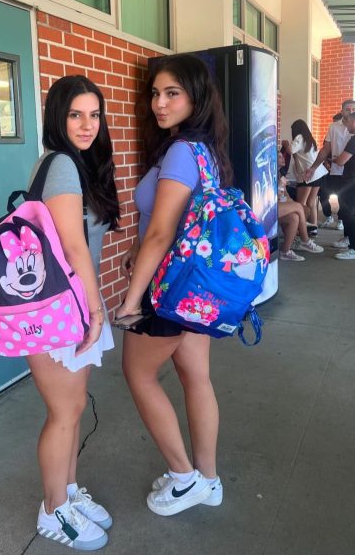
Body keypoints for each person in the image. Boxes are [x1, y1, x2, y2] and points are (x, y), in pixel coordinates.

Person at [115, 54, 232, 517]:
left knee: (138, 374)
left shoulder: (182, 152)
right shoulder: (203, 150)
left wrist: (129, 303)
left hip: (166, 289)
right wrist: (137, 246)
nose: (158, 104)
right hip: (195, 288)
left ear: (195, 97)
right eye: (155, 93)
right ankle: (208, 477)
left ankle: (184, 479)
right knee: (196, 378)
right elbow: (168, 225)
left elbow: (163, 233)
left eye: (171, 94)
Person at [28, 75, 120, 550]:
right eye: (75, 115)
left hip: (74, 304)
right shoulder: (62, 164)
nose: (87, 125)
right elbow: (72, 245)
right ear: (57, 119)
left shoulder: (78, 164)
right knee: (63, 411)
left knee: (74, 407)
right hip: (61, 309)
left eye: (94, 114)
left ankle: (66, 491)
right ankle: (52, 511)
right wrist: (96, 311)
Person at [305, 99, 355, 244]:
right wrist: (313, 167)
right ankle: (348, 237)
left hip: (352, 173)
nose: (351, 111)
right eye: (348, 109)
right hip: (337, 172)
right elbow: (325, 150)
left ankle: (352, 241)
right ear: (342, 111)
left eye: (353, 109)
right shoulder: (334, 127)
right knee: (344, 206)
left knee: (351, 208)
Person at [277, 150, 324, 261]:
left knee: (295, 217)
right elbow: (272, 196)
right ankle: (305, 240)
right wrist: (280, 187)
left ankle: (285, 251)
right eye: (279, 157)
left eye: (282, 156)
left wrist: (289, 202)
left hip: (280, 206)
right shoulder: (270, 173)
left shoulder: (280, 174)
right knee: (298, 207)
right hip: (269, 208)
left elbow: (286, 196)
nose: (283, 158)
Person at [287, 119, 326, 234]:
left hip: (308, 174)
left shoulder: (299, 137)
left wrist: (285, 144)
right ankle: (313, 228)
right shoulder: (310, 139)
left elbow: (290, 150)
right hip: (318, 173)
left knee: (301, 203)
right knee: (311, 202)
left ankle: (301, 229)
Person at [330, 110, 355, 260]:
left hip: (351, 181)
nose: (346, 127)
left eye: (348, 123)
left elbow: (341, 161)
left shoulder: (354, 140)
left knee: (349, 214)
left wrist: (335, 159)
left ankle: (354, 248)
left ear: (354, 122)